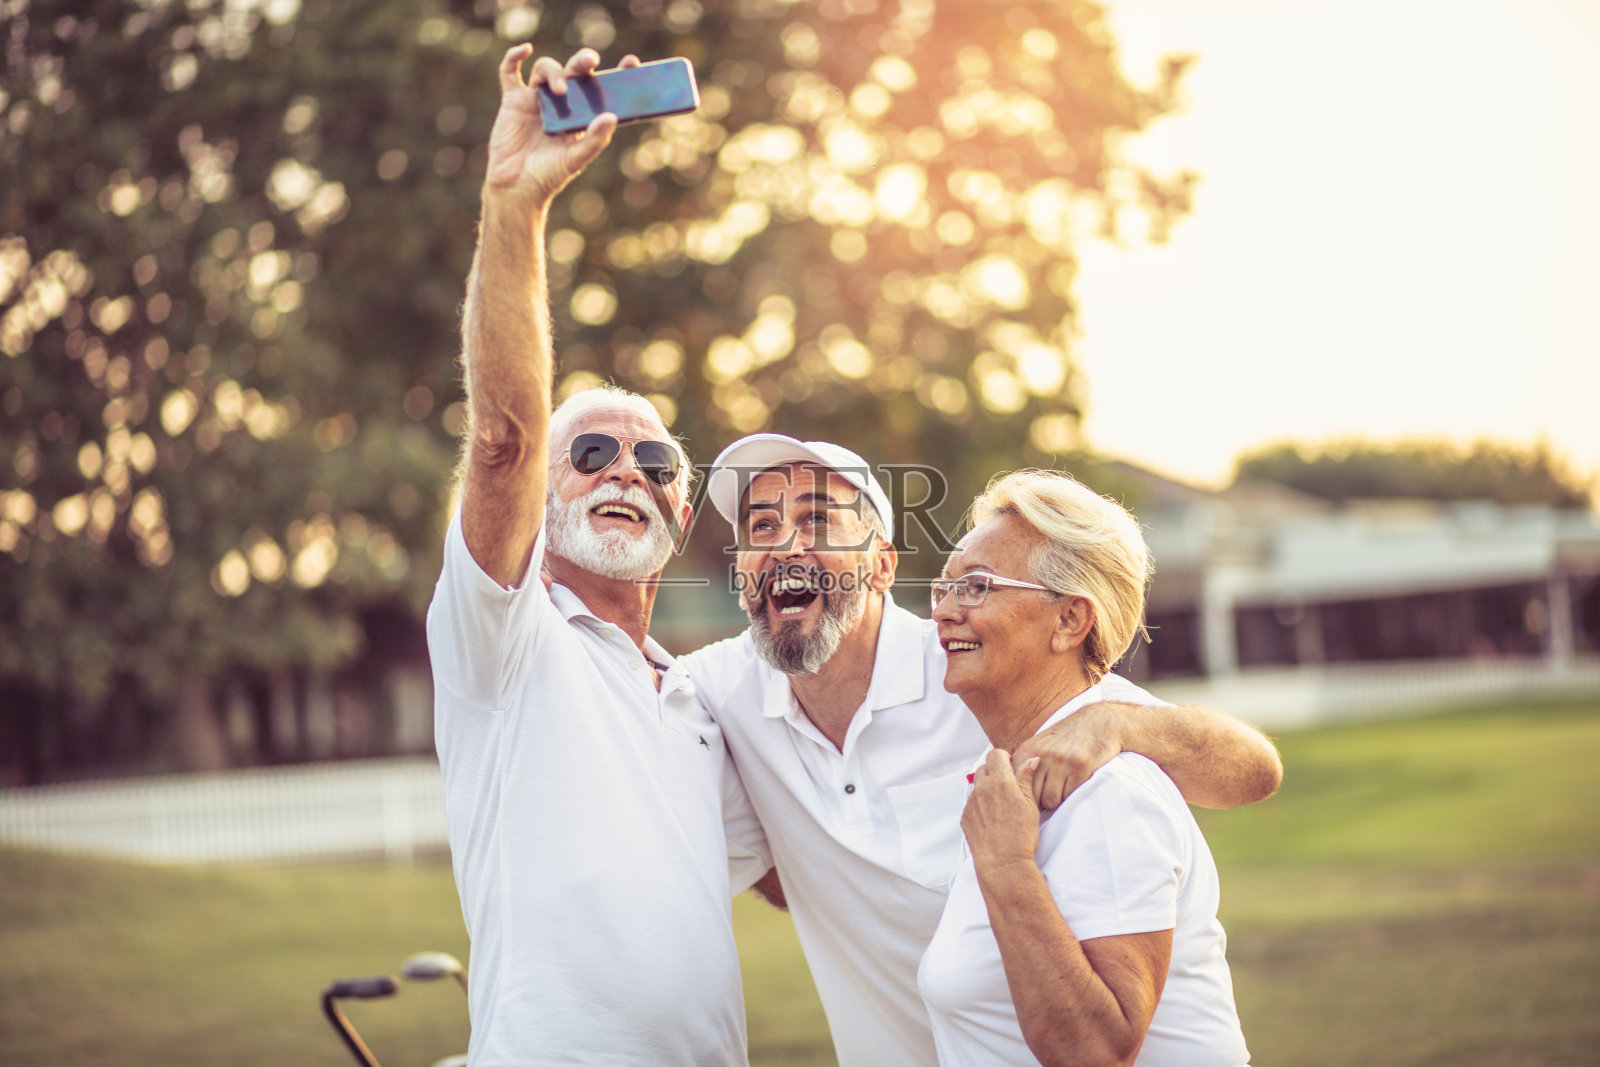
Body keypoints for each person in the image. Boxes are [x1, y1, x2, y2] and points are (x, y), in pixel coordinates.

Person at [682, 436, 1280, 1066]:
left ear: (881, 565)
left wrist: (1117, 722)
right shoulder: (714, 691)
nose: (785, 544)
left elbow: (1255, 770)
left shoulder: (981, 671)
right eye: (763, 526)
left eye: (818, 520)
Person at [425, 45, 769, 1065]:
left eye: (653, 457)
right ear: (544, 488)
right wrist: (516, 208)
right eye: (590, 451)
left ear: (679, 500)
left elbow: (826, 855)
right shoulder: (505, 641)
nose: (625, 469)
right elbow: (501, 439)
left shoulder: (702, 700)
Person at [917, 469, 1250, 1065]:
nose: (942, 611)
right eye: (943, 588)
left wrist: (1006, 866)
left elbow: (1097, 1050)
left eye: (976, 586)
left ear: (1070, 620)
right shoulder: (1020, 771)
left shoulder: (1109, 791)